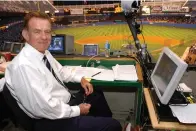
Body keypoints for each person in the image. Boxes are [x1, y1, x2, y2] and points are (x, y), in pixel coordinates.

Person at [4, 11, 122, 131]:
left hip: (63, 105)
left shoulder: (43, 53)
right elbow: (46, 107)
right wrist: (78, 110)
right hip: (49, 120)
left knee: (96, 93)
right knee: (113, 125)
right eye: (37, 31)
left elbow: (61, 72)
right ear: (26, 34)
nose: (44, 37)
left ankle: (97, 122)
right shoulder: (24, 66)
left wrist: (80, 79)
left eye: (47, 31)